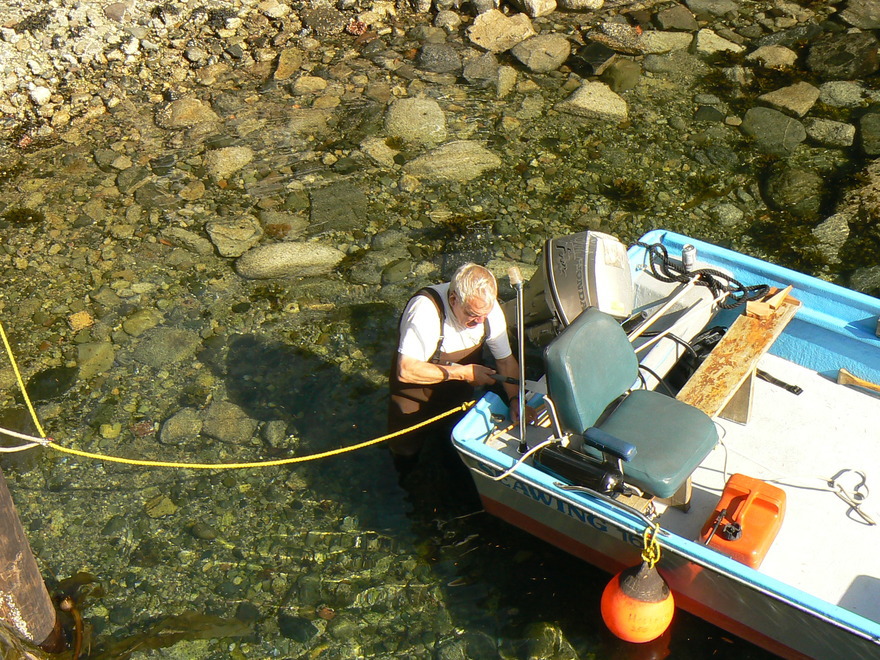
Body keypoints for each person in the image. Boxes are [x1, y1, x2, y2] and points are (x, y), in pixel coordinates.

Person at [387, 262, 525, 473]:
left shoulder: (486, 310)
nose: (480, 321)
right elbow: (406, 370)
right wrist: (464, 373)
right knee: (406, 449)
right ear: (453, 300)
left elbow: (505, 361)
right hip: (412, 398)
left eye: (484, 315)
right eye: (472, 314)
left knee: (452, 445)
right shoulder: (425, 310)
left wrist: (516, 400)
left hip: (455, 397)